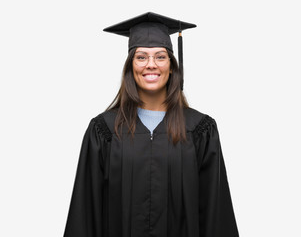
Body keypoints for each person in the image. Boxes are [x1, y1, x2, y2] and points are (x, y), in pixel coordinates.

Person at [63, 12, 239, 237]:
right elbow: (85, 213)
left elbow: (216, 213)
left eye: (160, 57)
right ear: (130, 66)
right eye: (141, 57)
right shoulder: (104, 131)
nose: (151, 65)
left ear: (172, 66)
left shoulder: (200, 130)